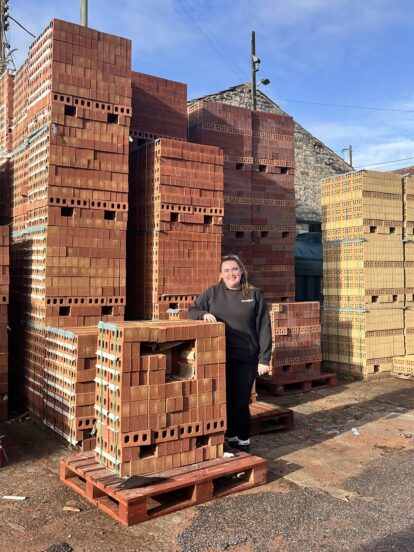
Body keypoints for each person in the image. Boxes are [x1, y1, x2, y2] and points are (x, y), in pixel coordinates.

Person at [188, 254, 272, 452]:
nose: (231, 273)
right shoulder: (212, 293)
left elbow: (264, 327)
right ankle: (230, 436)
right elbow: (192, 310)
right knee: (224, 398)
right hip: (220, 357)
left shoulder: (253, 294)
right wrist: (204, 314)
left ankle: (243, 439)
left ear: (241, 271)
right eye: (226, 270)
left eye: (234, 269)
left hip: (246, 357)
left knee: (241, 400)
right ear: (221, 274)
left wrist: (264, 358)